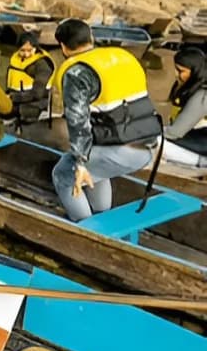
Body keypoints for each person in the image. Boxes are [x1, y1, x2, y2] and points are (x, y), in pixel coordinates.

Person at [50, 19, 161, 222]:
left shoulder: (77, 72)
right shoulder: (122, 57)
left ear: (63, 47)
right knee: (98, 167)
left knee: (63, 174)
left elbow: (77, 121)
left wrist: (80, 163)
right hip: (150, 146)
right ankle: (102, 215)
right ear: (91, 38)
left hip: (120, 152)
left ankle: (84, 225)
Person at [164, 47, 207, 163]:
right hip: (195, 137)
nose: (175, 74)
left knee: (156, 142)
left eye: (180, 71)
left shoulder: (202, 95)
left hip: (202, 148)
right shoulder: (187, 87)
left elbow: (174, 133)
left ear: (195, 71)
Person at [4, 32, 55, 124]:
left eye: (30, 50)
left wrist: (12, 97)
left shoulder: (42, 65)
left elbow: (37, 93)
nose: (26, 54)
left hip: (36, 104)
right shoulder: (15, 60)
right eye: (22, 50)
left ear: (36, 48)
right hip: (17, 100)